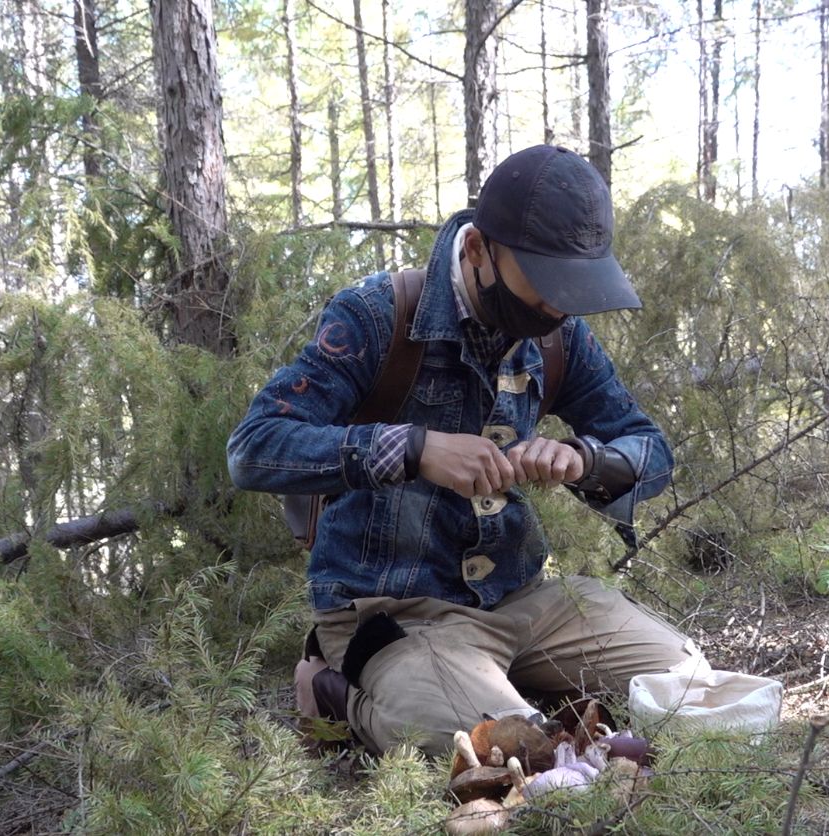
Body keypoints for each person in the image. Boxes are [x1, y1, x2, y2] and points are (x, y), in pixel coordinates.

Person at [228, 145, 706, 757]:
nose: (559, 306)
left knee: (691, 689)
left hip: (526, 601)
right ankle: (334, 692)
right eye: (545, 282)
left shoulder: (561, 335)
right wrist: (415, 449)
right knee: (494, 747)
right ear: (479, 249)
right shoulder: (377, 316)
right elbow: (255, 449)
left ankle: (524, 700)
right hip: (395, 612)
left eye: (573, 285)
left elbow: (651, 449)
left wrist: (584, 460)